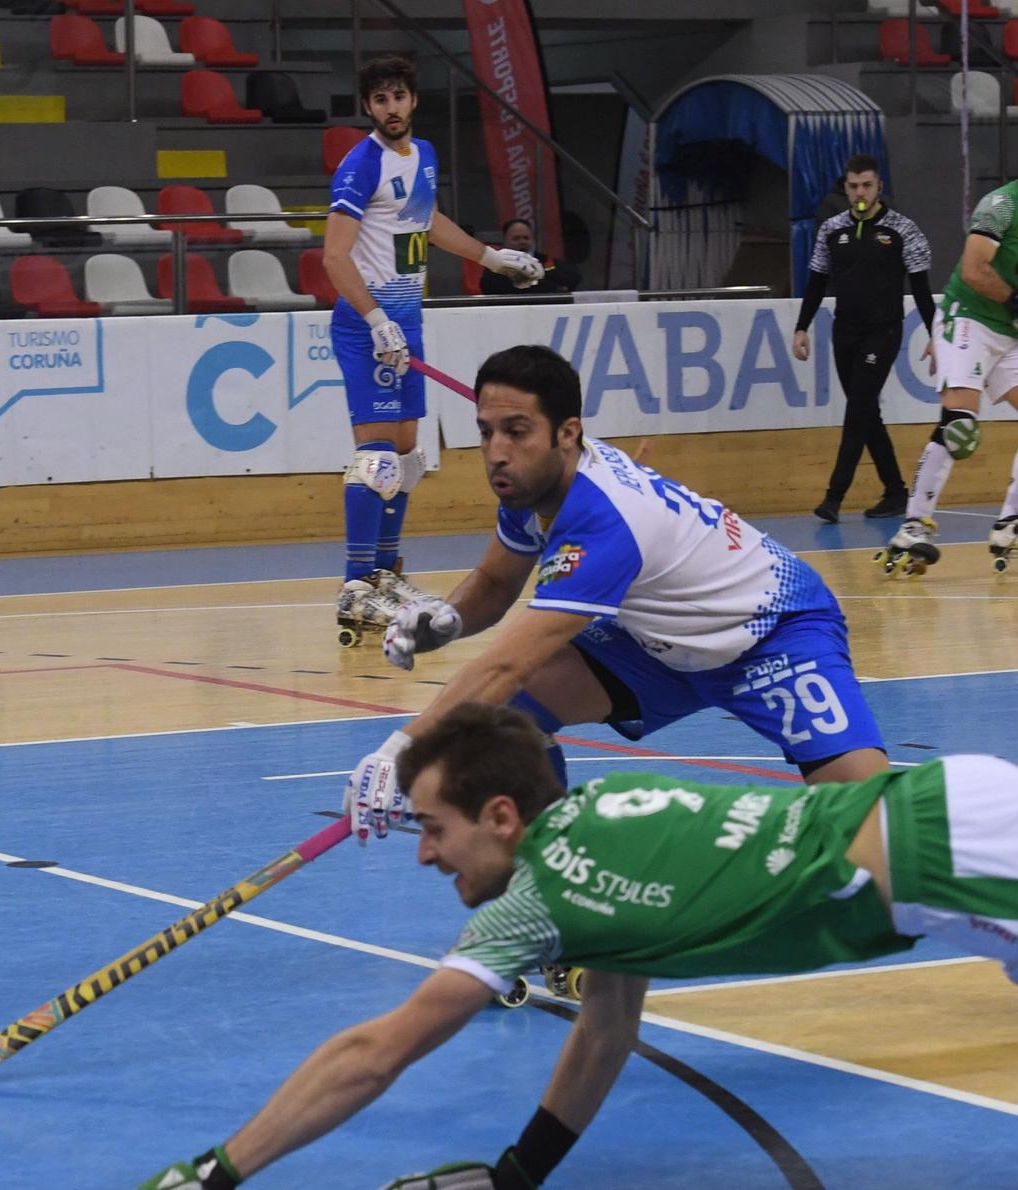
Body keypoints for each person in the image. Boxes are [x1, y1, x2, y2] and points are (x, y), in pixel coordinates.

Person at [110, 701, 1018, 1190]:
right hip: (955, 873)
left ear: (503, 819)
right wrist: (521, 1173)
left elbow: (374, 1051)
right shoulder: (590, 830)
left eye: (438, 829)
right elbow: (607, 1024)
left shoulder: (532, 900)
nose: (427, 856)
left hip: (966, 850)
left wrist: (216, 1172)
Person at [340, 343, 888, 847]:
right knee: (506, 721)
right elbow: (496, 582)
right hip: (659, 648)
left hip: (774, 637)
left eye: (516, 431)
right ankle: (558, 892)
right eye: (487, 432)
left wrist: (404, 748)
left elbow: (507, 662)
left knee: (875, 827)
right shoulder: (533, 484)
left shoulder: (603, 521)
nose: (497, 453)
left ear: (567, 433)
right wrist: (447, 617)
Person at [325, 54, 548, 645]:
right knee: (375, 455)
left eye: (398, 97)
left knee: (405, 459)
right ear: (369, 108)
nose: (391, 109)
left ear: (412, 100)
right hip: (367, 324)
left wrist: (492, 257)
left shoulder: (421, 156)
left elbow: (425, 224)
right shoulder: (359, 164)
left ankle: (386, 571)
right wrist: (374, 319)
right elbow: (334, 256)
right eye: (379, 101)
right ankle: (355, 587)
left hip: (405, 321)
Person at [878, 124, 1018, 576]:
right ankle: (913, 526)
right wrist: (1017, 302)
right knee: (960, 428)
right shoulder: (1000, 205)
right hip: (967, 319)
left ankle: (1013, 524)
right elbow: (974, 268)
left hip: (1008, 332)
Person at [790, 154, 934, 524]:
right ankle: (896, 491)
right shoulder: (832, 230)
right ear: (846, 187)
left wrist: (936, 336)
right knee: (866, 411)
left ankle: (834, 497)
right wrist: (801, 326)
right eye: (853, 186)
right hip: (845, 332)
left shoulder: (904, 230)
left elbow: (921, 289)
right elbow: (817, 282)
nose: (860, 193)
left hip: (883, 332)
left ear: (879, 187)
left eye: (867, 186)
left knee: (857, 411)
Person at [485, 217, 580, 294]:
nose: (522, 242)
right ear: (505, 241)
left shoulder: (547, 261)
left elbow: (573, 277)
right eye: (516, 238)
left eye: (526, 238)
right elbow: (491, 286)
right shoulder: (496, 263)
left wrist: (535, 278)